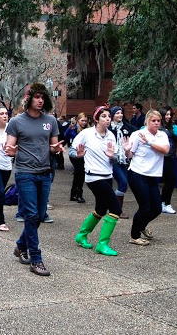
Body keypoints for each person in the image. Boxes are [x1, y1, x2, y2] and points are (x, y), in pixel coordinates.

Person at [5, 82, 62, 276]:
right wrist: (10, 150)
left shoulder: (51, 121)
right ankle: (36, 259)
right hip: (24, 173)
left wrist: (57, 149)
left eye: (43, 97)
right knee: (30, 214)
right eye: (37, 97)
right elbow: (9, 147)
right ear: (29, 99)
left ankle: (21, 245)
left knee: (39, 213)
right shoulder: (16, 122)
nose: (40, 100)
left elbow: (53, 146)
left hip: (45, 172)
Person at [71, 107, 121, 256]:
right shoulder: (86, 134)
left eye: (109, 116)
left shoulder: (111, 136)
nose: (107, 119)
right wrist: (78, 155)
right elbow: (73, 151)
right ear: (96, 119)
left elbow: (115, 160)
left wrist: (113, 157)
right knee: (116, 209)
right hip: (93, 177)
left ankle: (81, 236)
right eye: (104, 116)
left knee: (100, 209)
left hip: (107, 176)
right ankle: (102, 244)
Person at [123, 110, 169, 246]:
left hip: (152, 176)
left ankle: (141, 225)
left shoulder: (162, 135)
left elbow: (165, 150)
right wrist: (126, 150)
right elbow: (130, 155)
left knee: (156, 208)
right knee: (145, 207)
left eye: (158, 121)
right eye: (153, 120)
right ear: (147, 121)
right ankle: (134, 235)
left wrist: (149, 143)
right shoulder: (138, 134)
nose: (156, 123)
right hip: (137, 173)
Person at [109, 106, 136, 218]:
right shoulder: (108, 129)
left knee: (124, 185)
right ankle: (117, 209)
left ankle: (115, 208)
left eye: (121, 113)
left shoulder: (126, 127)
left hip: (123, 159)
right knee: (123, 182)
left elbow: (138, 132)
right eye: (117, 113)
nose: (120, 115)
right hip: (112, 159)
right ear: (112, 115)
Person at [158, 107, 177, 214]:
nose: (168, 117)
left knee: (171, 180)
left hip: (171, 156)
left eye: (169, 115)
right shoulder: (158, 127)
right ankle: (163, 203)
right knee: (168, 180)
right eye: (166, 114)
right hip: (161, 157)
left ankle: (164, 202)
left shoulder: (173, 127)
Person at [64, 113, 88, 203]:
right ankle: (78, 194)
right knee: (80, 173)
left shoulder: (88, 130)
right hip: (74, 154)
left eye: (85, 121)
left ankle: (74, 194)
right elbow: (65, 136)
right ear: (78, 120)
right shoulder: (74, 128)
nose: (84, 122)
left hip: (84, 154)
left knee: (79, 174)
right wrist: (69, 129)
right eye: (82, 120)